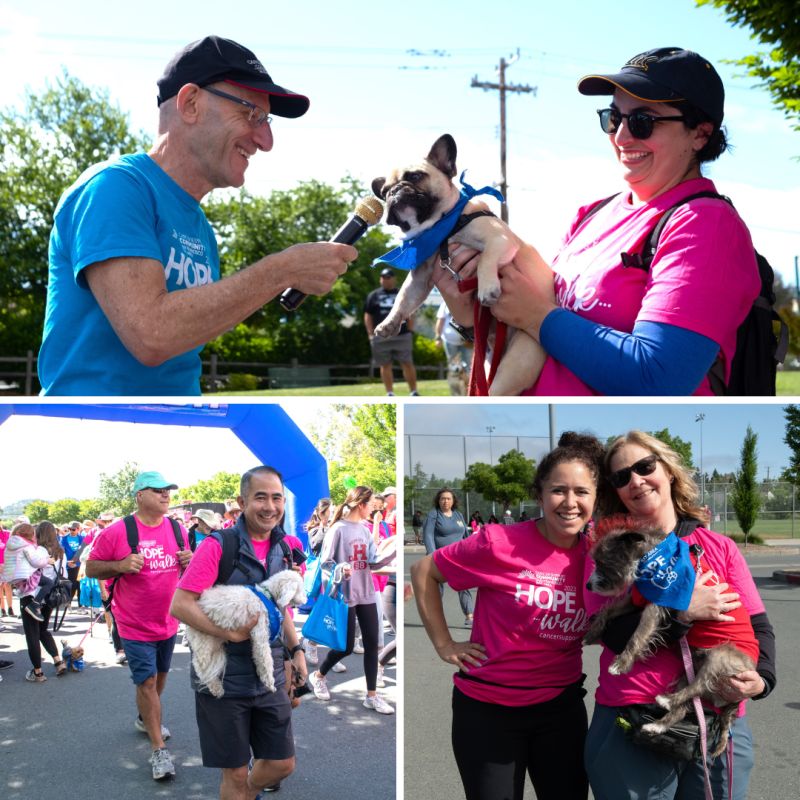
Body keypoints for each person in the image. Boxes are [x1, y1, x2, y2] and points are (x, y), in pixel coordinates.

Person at [38, 35, 357, 396]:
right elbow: (152, 336)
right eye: (251, 114)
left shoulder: (200, 227)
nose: (266, 141)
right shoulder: (113, 187)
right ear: (190, 104)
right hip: (89, 422)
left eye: (266, 120)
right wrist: (282, 270)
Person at [435, 48, 760, 396]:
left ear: (700, 134)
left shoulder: (704, 224)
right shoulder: (590, 215)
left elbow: (658, 379)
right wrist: (469, 313)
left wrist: (537, 316)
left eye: (643, 121)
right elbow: (536, 344)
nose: (621, 137)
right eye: (614, 118)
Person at [410, 433, 605, 800]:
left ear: (596, 498)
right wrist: (444, 644)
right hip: (488, 713)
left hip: (561, 710)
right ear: (539, 495)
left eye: (582, 492)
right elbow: (423, 572)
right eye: (558, 490)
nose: (570, 502)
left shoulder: (600, 554)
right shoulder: (498, 542)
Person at [585, 430, 776, 800]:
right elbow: (612, 635)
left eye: (644, 467)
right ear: (616, 490)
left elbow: (759, 626)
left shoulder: (719, 546)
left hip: (715, 720)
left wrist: (762, 680)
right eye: (621, 477)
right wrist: (683, 611)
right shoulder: (607, 548)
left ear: (668, 470)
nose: (635, 481)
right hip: (634, 718)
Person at [170, 466, 308, 798]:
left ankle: (246, 791)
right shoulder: (219, 546)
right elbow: (180, 605)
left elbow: (280, 610)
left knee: (281, 764)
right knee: (232, 773)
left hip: (269, 673)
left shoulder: (285, 547)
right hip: (224, 677)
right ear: (242, 502)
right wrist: (230, 634)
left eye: (277, 498)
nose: (270, 506)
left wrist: (297, 651)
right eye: (261, 497)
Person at [86, 471, 192, 782]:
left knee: (159, 680)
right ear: (139, 495)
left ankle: (146, 719)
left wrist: (189, 560)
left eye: (167, 490)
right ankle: (159, 749)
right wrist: (119, 565)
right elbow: (90, 567)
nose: (165, 495)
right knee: (146, 683)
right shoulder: (117, 531)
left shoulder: (177, 529)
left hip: (168, 621)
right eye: (157, 490)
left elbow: (187, 570)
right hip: (133, 624)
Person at [309, 485, 395, 715]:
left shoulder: (365, 530)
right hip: (344, 596)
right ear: (361, 504)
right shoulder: (337, 529)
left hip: (366, 592)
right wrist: (340, 568)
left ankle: (371, 696)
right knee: (345, 647)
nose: (374, 509)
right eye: (372, 505)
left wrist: (394, 552)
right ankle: (319, 675)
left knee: (371, 645)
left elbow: (373, 561)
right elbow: (325, 563)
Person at [422, 488, 474, 627]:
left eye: (448, 499)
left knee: (464, 585)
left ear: (453, 501)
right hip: (440, 557)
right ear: (438, 501)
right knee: (437, 589)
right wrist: (432, 554)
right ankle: (435, 618)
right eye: (442, 499)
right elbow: (428, 535)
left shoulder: (458, 515)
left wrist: (470, 552)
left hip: (459, 558)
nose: (445, 501)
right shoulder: (434, 514)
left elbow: (465, 536)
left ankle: (469, 615)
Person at [364, 268, 419, 396]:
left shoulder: (402, 293)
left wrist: (410, 330)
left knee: (407, 363)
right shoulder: (373, 295)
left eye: (388, 277)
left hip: (402, 335)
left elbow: (411, 311)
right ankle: (390, 393)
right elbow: (368, 315)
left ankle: (414, 392)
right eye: (383, 277)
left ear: (394, 279)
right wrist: (370, 334)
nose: (385, 280)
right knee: (385, 365)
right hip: (381, 336)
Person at [435, 300, 473, 395]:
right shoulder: (445, 303)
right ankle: (456, 394)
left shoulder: (468, 301)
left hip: (466, 341)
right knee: (453, 369)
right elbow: (440, 321)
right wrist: (438, 337)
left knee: (469, 367)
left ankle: (469, 392)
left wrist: (471, 339)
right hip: (449, 341)